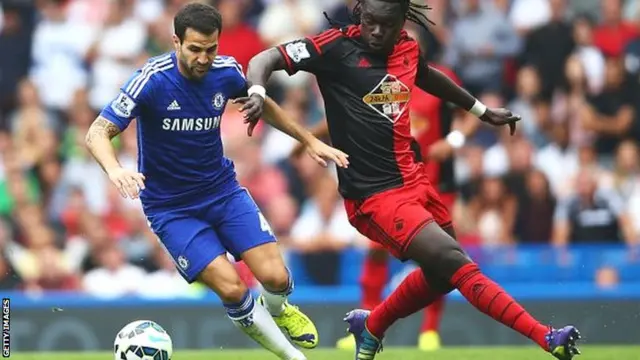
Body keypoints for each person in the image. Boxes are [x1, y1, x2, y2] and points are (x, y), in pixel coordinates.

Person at [240, 0, 581, 359]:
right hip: (374, 198)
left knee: (442, 276)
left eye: (385, 25)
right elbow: (264, 60)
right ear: (360, 16)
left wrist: (480, 110)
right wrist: (258, 92)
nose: (375, 31)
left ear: (402, 21)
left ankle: (371, 326)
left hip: (417, 183)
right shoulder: (335, 47)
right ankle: (546, 338)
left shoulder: (406, 48)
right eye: (369, 22)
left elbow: (427, 75)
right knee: (457, 263)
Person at [84, 3, 349, 360]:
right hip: (171, 208)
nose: (204, 58)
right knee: (232, 287)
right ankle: (293, 357)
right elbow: (98, 131)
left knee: (276, 278)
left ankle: (280, 309)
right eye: (195, 49)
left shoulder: (225, 72)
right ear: (176, 42)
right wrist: (116, 170)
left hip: (222, 192)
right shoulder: (152, 78)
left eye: (211, 49)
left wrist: (308, 139)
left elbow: (262, 102)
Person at [289, 59, 477, 352]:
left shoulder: (440, 78)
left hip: (436, 185)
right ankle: (366, 321)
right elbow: (347, 115)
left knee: (442, 258)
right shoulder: (382, 81)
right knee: (377, 254)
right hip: (394, 185)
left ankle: (430, 331)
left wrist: (453, 141)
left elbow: (471, 112)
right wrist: (307, 137)